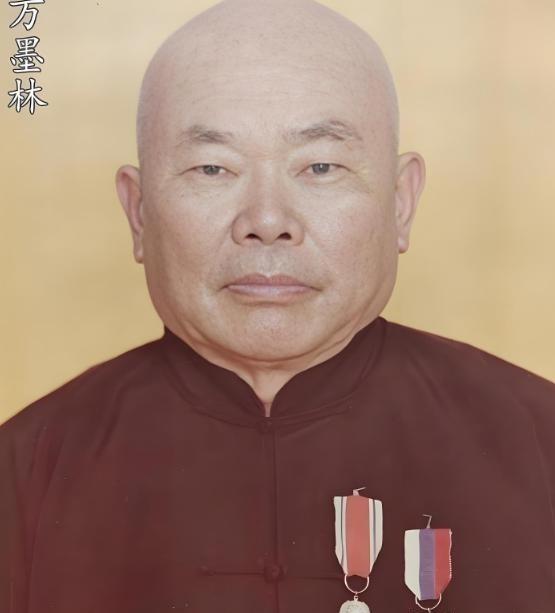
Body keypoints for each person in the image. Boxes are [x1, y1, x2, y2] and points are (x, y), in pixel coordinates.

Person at [1, 0, 554, 611]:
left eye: (320, 166)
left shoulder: (540, 442)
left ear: (401, 202)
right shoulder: (24, 471)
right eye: (213, 168)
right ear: (138, 212)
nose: (267, 220)